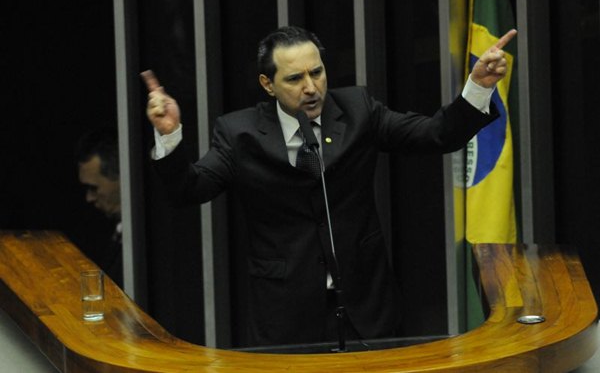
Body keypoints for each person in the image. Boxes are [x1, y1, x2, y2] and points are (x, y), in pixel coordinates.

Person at [141, 26, 516, 346]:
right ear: (267, 84)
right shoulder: (239, 133)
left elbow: (436, 135)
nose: (311, 88)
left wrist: (478, 88)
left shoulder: (358, 110)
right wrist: (170, 135)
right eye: (294, 79)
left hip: (366, 301)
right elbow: (189, 190)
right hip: (286, 312)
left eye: (317, 73)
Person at [75, 128, 123, 288]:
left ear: (121, 178)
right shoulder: (114, 236)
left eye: (94, 188)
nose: (89, 198)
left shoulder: (148, 244)